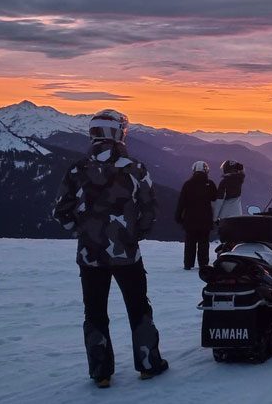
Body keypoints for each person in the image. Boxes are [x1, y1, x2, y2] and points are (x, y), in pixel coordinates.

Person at [52, 109, 168, 388]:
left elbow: (60, 211)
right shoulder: (134, 168)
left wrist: (83, 232)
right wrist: (135, 235)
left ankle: (101, 372)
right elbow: (149, 209)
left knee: (94, 312)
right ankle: (148, 365)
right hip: (127, 254)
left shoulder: (78, 169)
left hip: (90, 255)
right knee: (138, 307)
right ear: (119, 133)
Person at [175, 161, 217, 270]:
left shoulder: (187, 184)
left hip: (190, 219)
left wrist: (178, 217)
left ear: (194, 170)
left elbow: (181, 202)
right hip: (205, 219)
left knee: (190, 242)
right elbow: (215, 198)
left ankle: (188, 264)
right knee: (204, 243)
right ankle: (203, 265)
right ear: (206, 170)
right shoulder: (210, 184)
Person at [214, 160, 246, 243]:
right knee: (235, 239)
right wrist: (240, 168)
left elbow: (219, 201)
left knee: (226, 240)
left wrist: (215, 217)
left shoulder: (224, 182)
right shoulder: (239, 180)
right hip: (238, 214)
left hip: (225, 216)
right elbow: (242, 173)